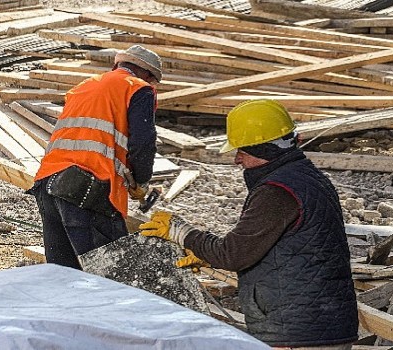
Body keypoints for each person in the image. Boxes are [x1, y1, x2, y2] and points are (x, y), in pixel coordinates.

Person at [140, 99, 359, 349]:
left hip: (297, 333)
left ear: (263, 150)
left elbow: (234, 255)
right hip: (317, 324)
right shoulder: (306, 178)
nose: (236, 159)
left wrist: (183, 233)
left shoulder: (276, 192)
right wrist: (206, 254)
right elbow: (285, 248)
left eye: (242, 151)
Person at [26, 45, 162, 270]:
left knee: (61, 274)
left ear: (117, 65)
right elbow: (143, 143)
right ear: (147, 75)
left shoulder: (84, 86)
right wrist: (141, 182)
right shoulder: (138, 89)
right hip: (87, 188)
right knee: (112, 274)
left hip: (47, 183)